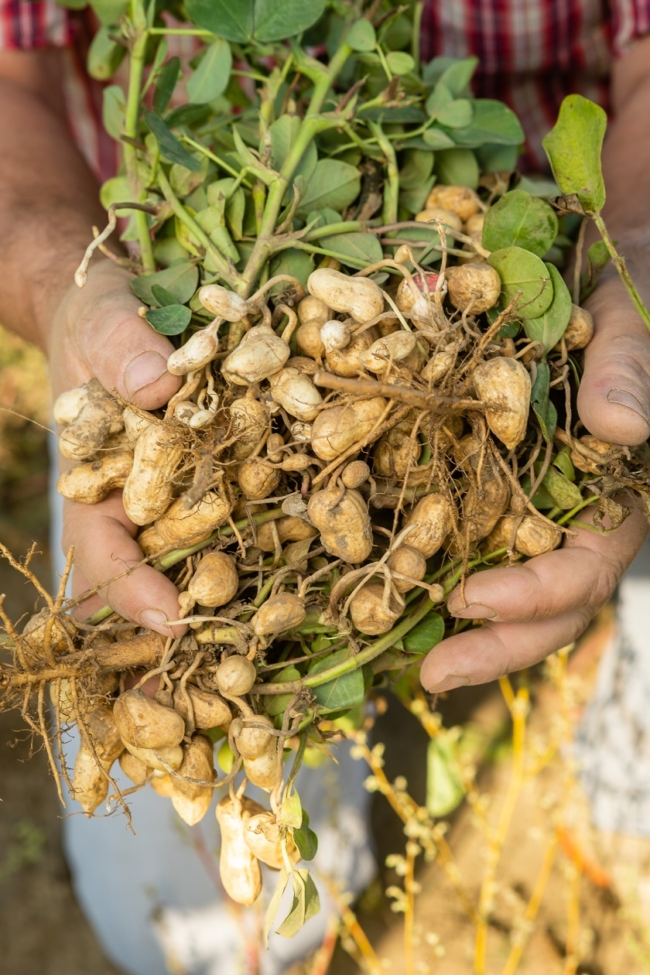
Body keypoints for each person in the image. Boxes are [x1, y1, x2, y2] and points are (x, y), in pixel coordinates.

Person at [1, 0, 650, 971]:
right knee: (180, 924)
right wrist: (63, 293)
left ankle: (623, 772)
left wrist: (632, 248)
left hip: (566, 303)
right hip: (148, 348)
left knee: (597, 461)